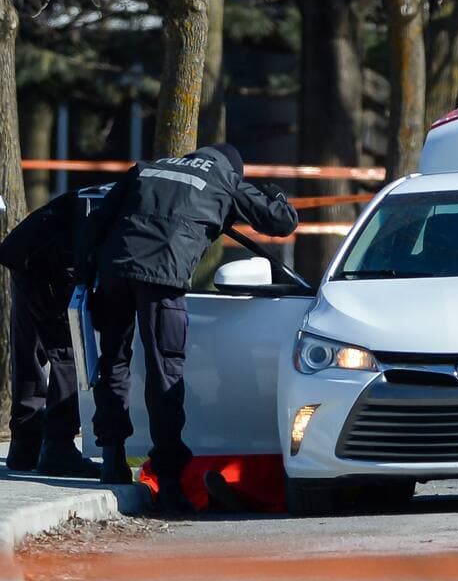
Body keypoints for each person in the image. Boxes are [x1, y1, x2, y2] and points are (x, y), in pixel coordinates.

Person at [81, 144, 298, 511]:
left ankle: (112, 456)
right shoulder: (224, 178)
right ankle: (169, 483)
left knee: (113, 360)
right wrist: (274, 191)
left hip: (114, 268)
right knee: (165, 372)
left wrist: (90, 275)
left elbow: (98, 220)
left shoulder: (148, 168)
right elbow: (282, 221)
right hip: (163, 274)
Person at [0, 188, 107, 478]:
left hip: (29, 249)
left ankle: (25, 444)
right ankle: (58, 447)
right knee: (69, 350)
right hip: (54, 257)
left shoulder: (135, 188)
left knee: (30, 346)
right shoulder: (157, 199)